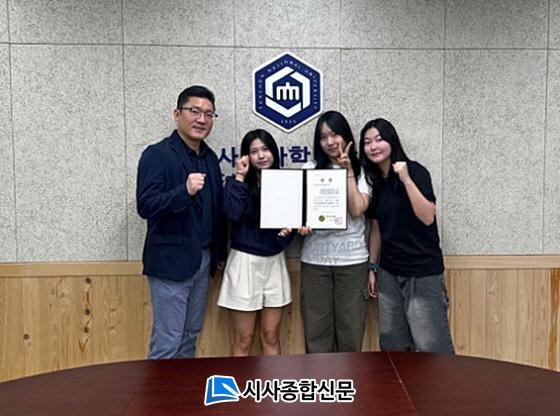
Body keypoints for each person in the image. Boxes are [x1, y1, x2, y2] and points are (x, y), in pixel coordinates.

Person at [136, 85, 225, 359]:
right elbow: (146, 205)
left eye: (208, 114)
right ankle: (158, 390)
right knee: (168, 340)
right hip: (170, 262)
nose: (201, 119)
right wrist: (183, 192)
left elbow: (215, 210)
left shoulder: (210, 158)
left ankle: (182, 389)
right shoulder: (157, 154)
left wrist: (219, 253)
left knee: (190, 335)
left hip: (204, 259)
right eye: (194, 111)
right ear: (177, 114)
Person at [359, 117, 454, 353]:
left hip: (423, 272)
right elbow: (376, 229)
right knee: (393, 345)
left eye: (379, 139)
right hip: (390, 272)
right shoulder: (376, 183)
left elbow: (428, 216)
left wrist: (406, 179)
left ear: (392, 141)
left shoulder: (415, 171)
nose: (373, 146)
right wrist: (373, 268)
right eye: (367, 142)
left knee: (432, 346)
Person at [299, 111, 372, 353]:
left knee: (350, 331)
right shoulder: (309, 169)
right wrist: (300, 223)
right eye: (323, 137)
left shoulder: (362, 170)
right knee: (316, 332)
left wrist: (348, 171)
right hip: (314, 262)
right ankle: (321, 379)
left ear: (346, 135)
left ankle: (349, 378)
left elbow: (357, 210)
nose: (329, 142)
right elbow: (299, 212)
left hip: (352, 262)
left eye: (334, 134)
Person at [218, 129, 294, 356]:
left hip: (274, 261)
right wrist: (240, 177)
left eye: (265, 149)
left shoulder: (287, 183)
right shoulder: (236, 183)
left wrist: (287, 233)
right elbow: (232, 214)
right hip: (244, 262)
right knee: (244, 338)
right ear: (245, 156)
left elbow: (290, 226)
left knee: (271, 335)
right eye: (254, 151)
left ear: (274, 152)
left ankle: (274, 380)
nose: (261, 156)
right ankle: (239, 381)